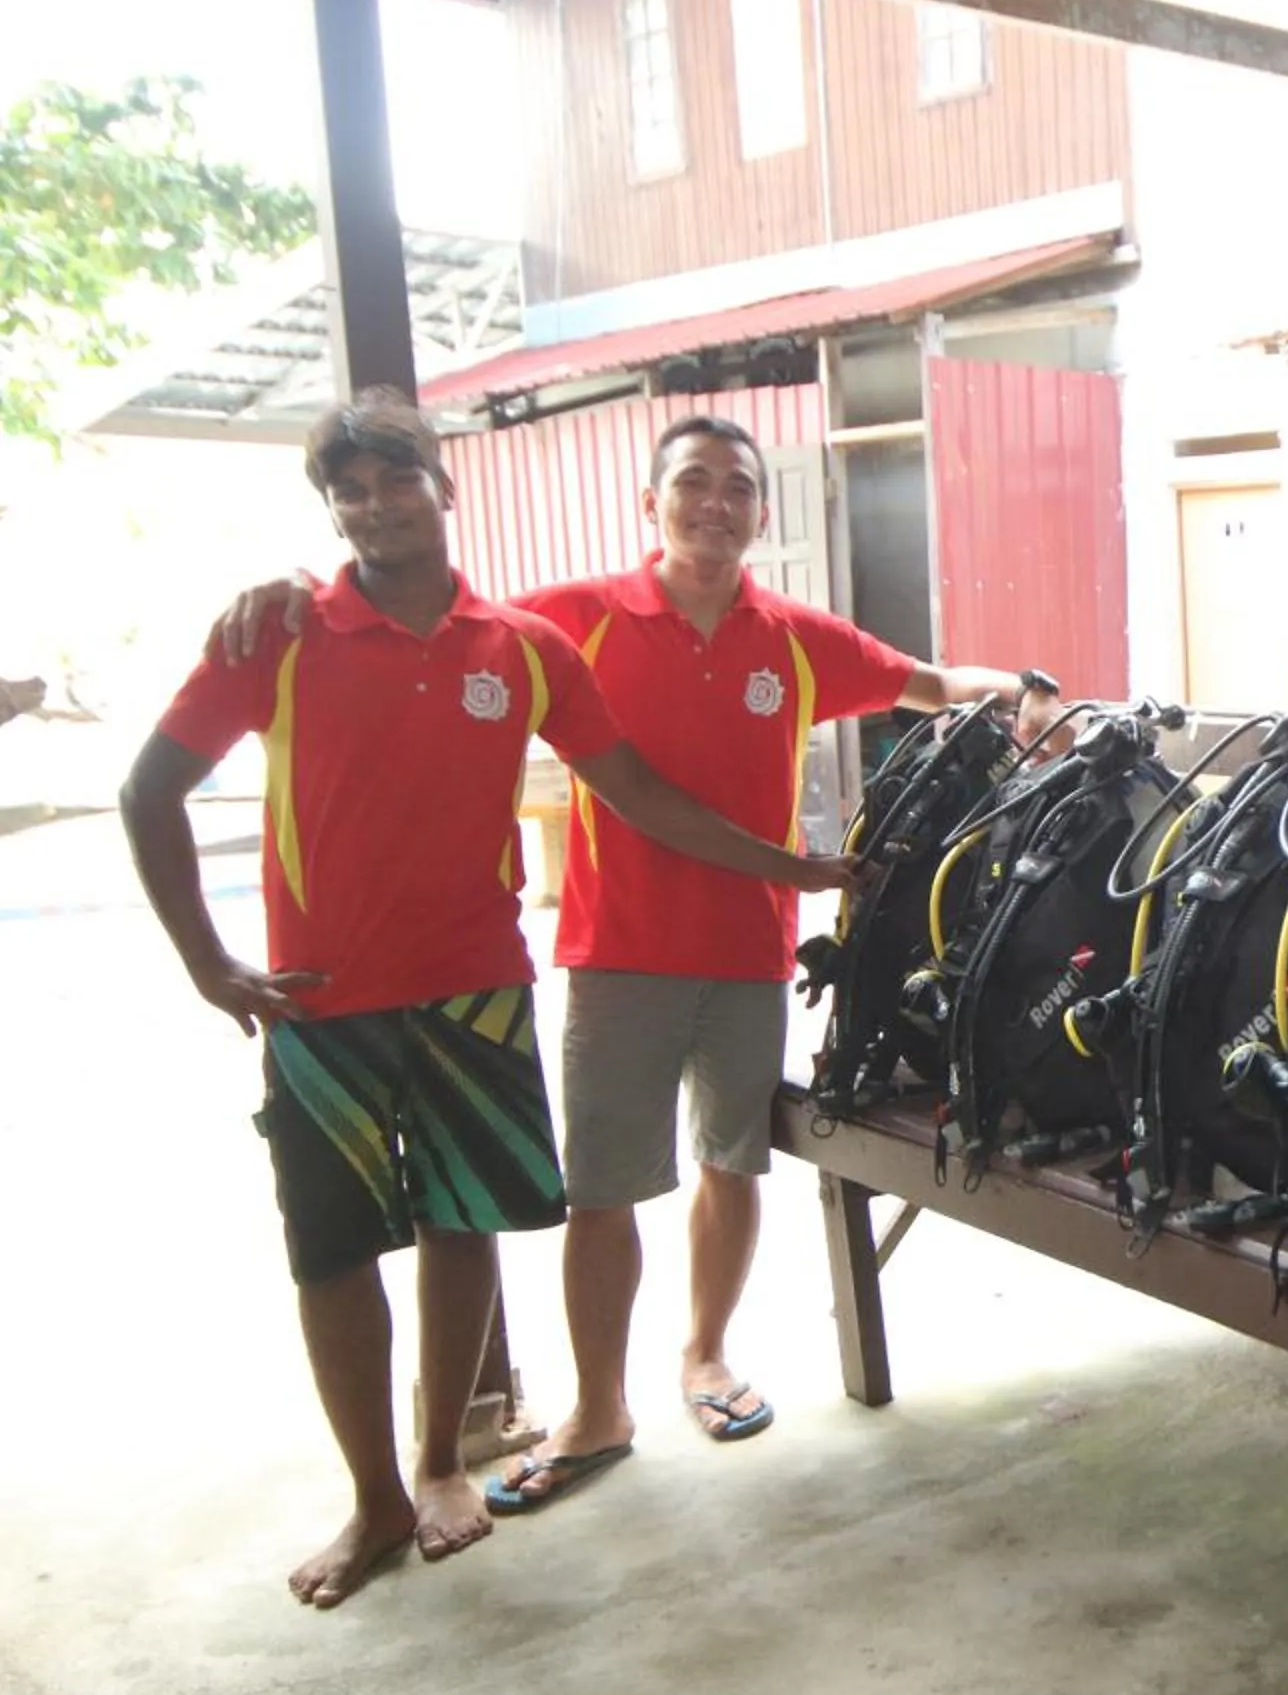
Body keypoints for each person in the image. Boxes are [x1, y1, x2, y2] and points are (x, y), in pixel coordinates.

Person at [213, 414, 1060, 1514]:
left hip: (751, 951)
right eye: (692, 482)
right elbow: (431, 609)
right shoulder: (572, 620)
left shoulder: (796, 635)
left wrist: (1033, 692)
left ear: (763, 510)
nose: (715, 503)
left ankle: (705, 1354)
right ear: (649, 502)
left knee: (731, 1162)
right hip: (617, 956)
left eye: (738, 487)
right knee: (605, 1185)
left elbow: (933, 684)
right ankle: (597, 1405)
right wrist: (295, 585)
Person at [124, 389, 852, 1609]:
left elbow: (636, 792)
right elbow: (152, 790)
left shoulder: (518, 647)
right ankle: (371, 1499)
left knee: (462, 1227)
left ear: (443, 489)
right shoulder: (280, 634)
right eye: (346, 491)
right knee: (335, 1250)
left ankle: (436, 1463)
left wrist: (796, 870)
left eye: (394, 480)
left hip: (476, 992)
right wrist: (207, 961)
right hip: (321, 1006)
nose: (372, 506)